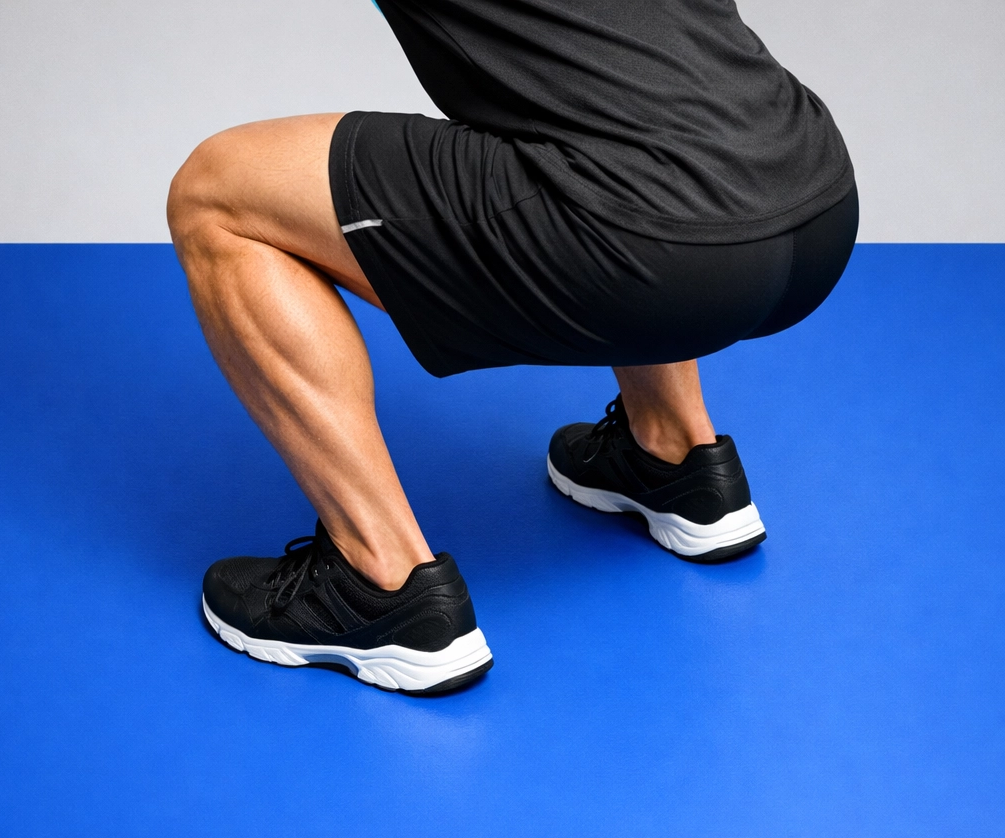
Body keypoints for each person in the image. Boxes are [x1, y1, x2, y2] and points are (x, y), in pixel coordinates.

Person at [166, 0, 857, 694]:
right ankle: (674, 452)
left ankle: (380, 582)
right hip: (814, 196)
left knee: (217, 194)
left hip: (658, 252)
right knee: (604, 109)